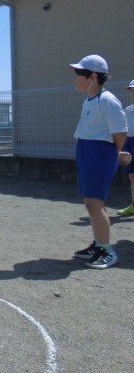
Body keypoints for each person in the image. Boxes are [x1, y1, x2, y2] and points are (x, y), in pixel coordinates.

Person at [70, 55, 128, 269]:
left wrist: (116, 153)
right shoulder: (89, 100)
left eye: (79, 73)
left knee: (95, 203)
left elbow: (120, 132)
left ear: (93, 76)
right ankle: (98, 244)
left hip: (100, 153)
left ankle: (106, 250)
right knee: (91, 203)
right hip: (87, 151)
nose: (75, 77)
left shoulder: (107, 100)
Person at [116, 79, 134, 216]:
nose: (132, 93)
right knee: (132, 176)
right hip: (129, 142)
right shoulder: (127, 110)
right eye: (131, 90)